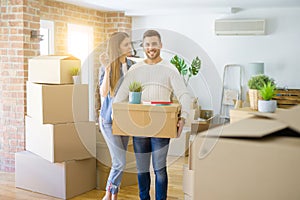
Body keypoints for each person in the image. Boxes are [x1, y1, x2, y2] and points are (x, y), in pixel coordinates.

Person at [114, 30, 191, 200]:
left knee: (159, 169)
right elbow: (120, 97)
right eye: (147, 44)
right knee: (142, 170)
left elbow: (184, 95)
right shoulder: (135, 69)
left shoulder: (169, 69)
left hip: (161, 127)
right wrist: (118, 116)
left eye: (154, 44)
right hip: (139, 127)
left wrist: (183, 118)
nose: (151, 48)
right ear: (143, 46)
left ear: (161, 45)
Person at [98, 32, 134, 200]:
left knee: (119, 161)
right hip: (108, 120)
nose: (130, 47)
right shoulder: (109, 67)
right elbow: (104, 93)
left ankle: (114, 195)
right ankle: (108, 193)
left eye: (130, 44)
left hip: (125, 121)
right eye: (126, 45)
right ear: (117, 48)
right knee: (120, 161)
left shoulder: (132, 65)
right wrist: (107, 69)